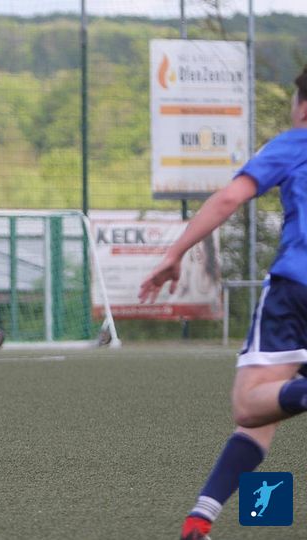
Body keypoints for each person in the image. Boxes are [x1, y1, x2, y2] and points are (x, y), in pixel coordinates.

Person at [139, 65, 307, 540]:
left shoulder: (296, 143)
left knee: (250, 405)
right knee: (270, 411)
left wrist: (174, 253)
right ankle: (200, 519)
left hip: (298, 287)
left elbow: (230, 198)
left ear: (303, 106)